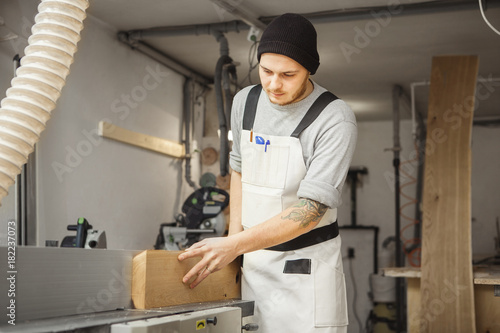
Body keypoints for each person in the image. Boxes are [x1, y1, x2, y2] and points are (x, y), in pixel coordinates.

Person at [178, 13, 357, 332]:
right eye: (266, 71)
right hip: (254, 263)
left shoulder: (334, 118)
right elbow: (238, 171)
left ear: (309, 70)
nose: (274, 84)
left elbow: (310, 211)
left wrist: (236, 244)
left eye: (288, 74)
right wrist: (234, 241)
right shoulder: (244, 102)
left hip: (306, 271)